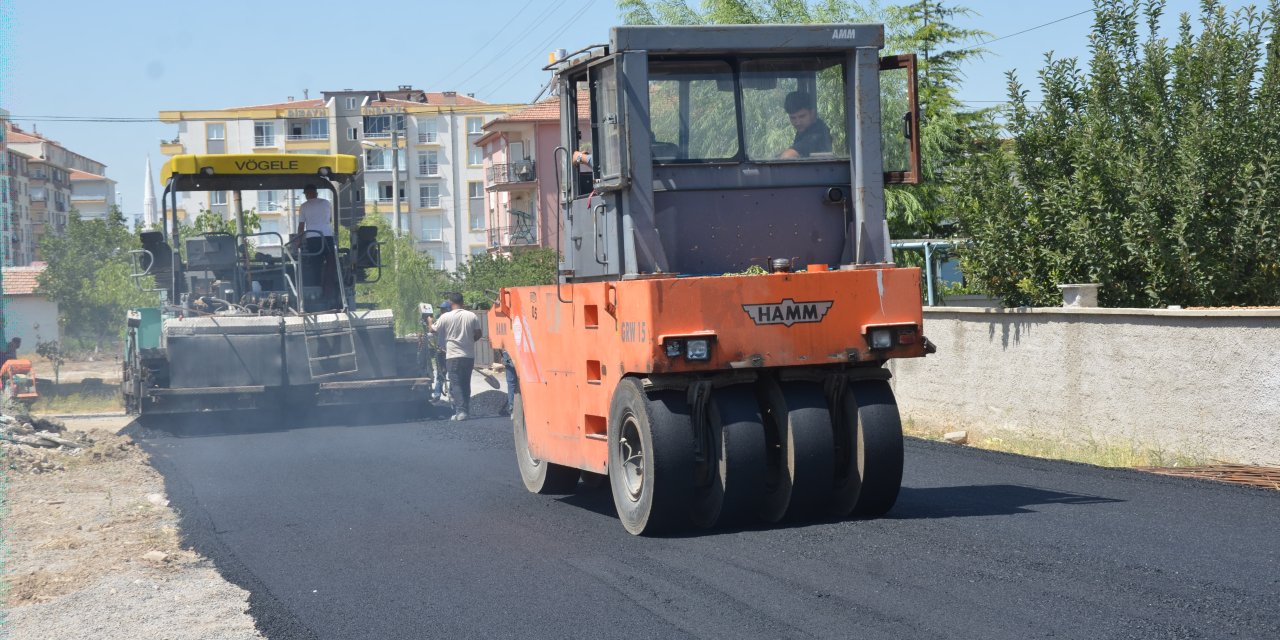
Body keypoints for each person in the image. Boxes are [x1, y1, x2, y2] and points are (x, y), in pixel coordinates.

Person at [432, 293, 481, 421]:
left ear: (450, 303)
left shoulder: (445, 317)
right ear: (463, 302)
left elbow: (433, 330)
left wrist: (429, 321)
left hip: (453, 356)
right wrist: (469, 342)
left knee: (456, 383)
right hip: (468, 356)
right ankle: (466, 410)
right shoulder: (472, 316)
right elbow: (478, 334)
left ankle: (461, 412)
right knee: (466, 383)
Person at [295, 184, 337, 305]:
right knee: (330, 262)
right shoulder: (326, 203)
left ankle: (317, 288)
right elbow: (329, 220)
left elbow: (301, 226)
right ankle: (328, 288)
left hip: (312, 238)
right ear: (316, 193)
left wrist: (298, 241)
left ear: (306, 194)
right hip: (327, 236)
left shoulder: (304, 206)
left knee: (316, 265)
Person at [779, 91, 832, 159]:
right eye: (793, 118)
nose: (797, 122)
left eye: (802, 116)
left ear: (812, 113)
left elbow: (787, 156)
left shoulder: (817, 133)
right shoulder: (804, 129)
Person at [429, 300, 450, 403]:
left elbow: (432, 330)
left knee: (441, 374)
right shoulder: (453, 319)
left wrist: (429, 322)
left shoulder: (443, 318)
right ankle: (452, 395)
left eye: (442, 309)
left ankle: (438, 395)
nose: (441, 311)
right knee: (450, 374)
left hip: (443, 351)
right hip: (451, 350)